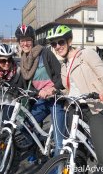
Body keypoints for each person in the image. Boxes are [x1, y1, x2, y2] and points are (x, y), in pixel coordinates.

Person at [46, 25, 103, 174]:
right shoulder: (63, 65)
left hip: (95, 107)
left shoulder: (86, 55)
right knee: (77, 154)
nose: (57, 47)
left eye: (61, 42)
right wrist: (52, 90)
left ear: (69, 40)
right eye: (54, 44)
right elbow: (68, 87)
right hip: (74, 109)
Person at [15, 24, 65, 160]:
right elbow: (23, 81)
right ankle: (37, 148)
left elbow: (62, 76)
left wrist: (52, 89)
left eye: (28, 40)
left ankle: (57, 168)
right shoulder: (24, 59)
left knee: (59, 139)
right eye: (22, 40)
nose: (25, 43)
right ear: (19, 43)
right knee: (26, 127)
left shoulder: (45, 53)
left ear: (33, 40)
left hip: (55, 99)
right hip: (41, 99)